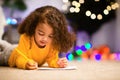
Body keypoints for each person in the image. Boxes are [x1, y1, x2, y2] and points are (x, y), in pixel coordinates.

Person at [0, 5, 75, 70]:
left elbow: (51, 59)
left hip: (18, 48)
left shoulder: (52, 43)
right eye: (41, 33)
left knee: (5, 45)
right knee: (4, 46)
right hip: (10, 55)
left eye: (50, 36)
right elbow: (19, 58)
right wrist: (26, 63)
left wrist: (58, 63)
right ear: (33, 28)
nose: (45, 39)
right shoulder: (26, 38)